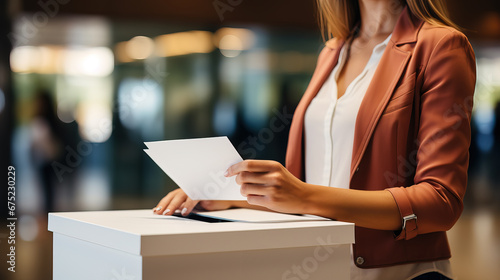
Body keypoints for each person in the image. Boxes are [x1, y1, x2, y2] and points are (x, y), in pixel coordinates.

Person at [153, 1, 476, 279]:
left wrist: (302, 195)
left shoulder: (440, 45)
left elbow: (440, 202)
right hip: (319, 265)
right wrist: (232, 195)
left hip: (397, 271)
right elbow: (309, 186)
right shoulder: (333, 50)